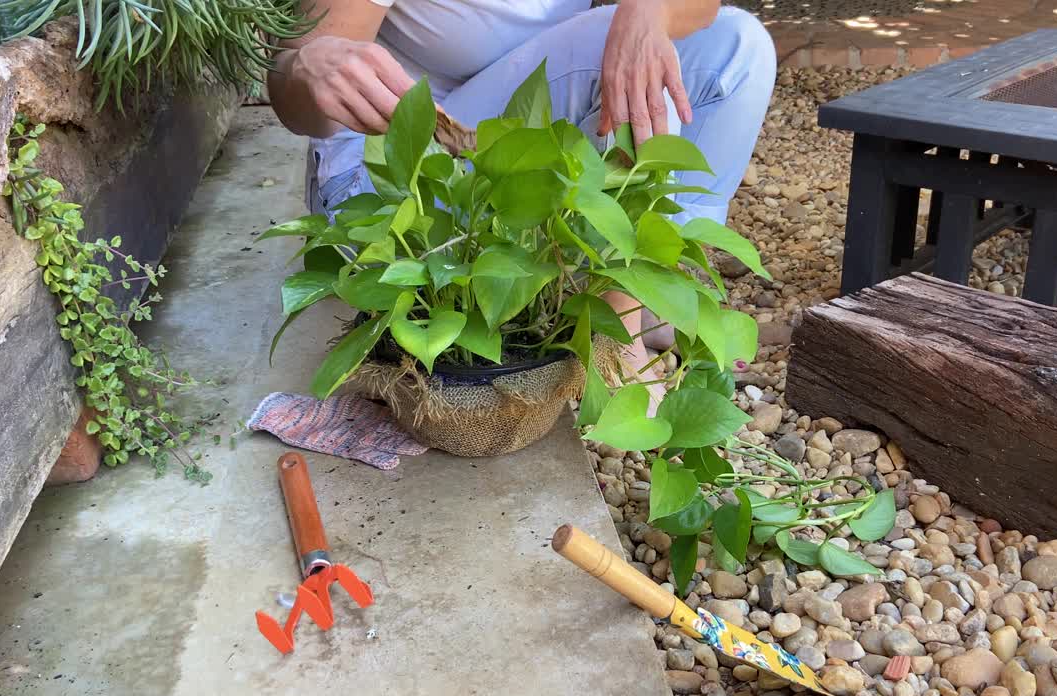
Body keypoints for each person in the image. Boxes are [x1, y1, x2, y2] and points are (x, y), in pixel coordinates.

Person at [268, 0, 775, 402]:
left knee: (737, 45)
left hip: (497, 159)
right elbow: (292, 87)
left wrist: (649, 11)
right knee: (609, 49)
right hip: (396, 186)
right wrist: (307, 64)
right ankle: (614, 336)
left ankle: (659, 289)